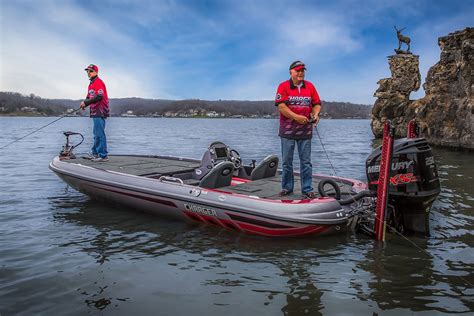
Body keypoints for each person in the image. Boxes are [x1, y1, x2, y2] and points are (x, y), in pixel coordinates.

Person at [274, 61, 321, 198]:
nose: (301, 73)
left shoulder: (310, 86)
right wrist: (296, 117)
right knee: (287, 162)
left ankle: (307, 189)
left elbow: (317, 104)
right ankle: (287, 188)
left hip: (305, 131)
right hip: (287, 131)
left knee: (306, 162)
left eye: (303, 71)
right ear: (291, 72)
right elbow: (281, 107)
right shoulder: (283, 86)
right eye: (298, 70)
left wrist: (315, 114)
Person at [80, 64, 110, 162]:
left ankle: (103, 155)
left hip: (100, 111)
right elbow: (89, 97)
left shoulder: (98, 82)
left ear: (96, 72)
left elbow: (99, 97)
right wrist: (84, 103)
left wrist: (86, 102)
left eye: (91, 71)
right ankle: (95, 153)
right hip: (94, 111)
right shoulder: (91, 84)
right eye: (87, 71)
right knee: (95, 133)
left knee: (99, 133)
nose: (89, 73)